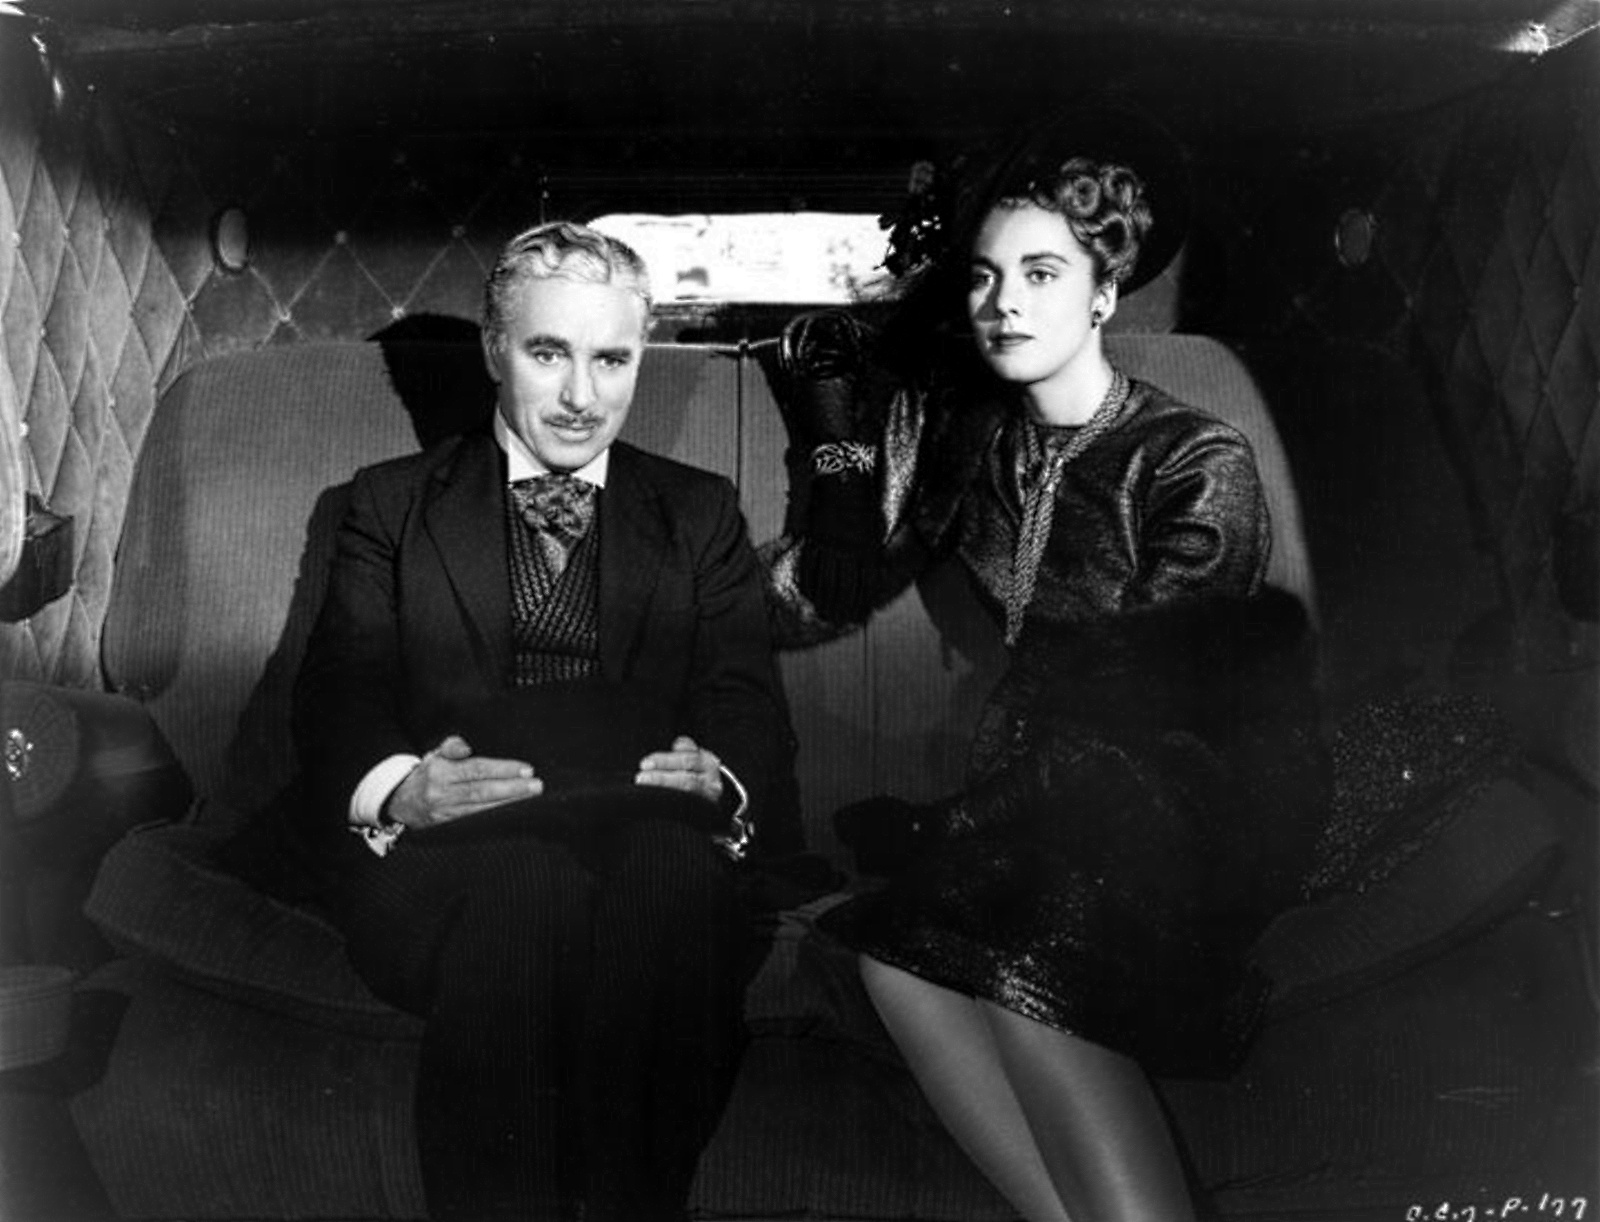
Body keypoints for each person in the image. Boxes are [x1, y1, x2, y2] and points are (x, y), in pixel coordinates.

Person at [764, 110, 1327, 1221]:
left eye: (1039, 274)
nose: (1002, 304)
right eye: (983, 277)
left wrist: (952, 824)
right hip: (1044, 808)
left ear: (1104, 295)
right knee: (893, 963)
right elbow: (831, 581)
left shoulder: (1193, 458)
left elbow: (1155, 711)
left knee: (1024, 967)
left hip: (1185, 805)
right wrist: (834, 425)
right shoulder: (972, 440)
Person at [292, 221, 800, 1222]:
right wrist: (403, 789)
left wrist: (721, 777)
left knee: (666, 878)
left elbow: (744, 703)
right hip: (452, 856)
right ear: (495, 351)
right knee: (529, 889)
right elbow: (339, 696)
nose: (581, 396)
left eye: (611, 359)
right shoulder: (388, 506)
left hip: (649, 841)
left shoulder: (698, 511)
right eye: (547, 353)